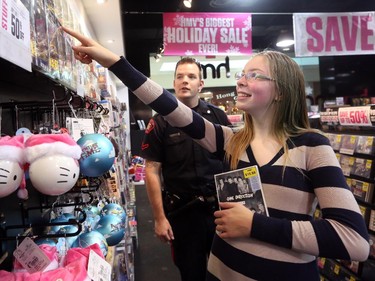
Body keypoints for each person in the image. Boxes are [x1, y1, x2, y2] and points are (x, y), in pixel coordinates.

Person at [62, 26, 370, 281]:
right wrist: (112, 61)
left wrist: (254, 225)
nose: (241, 80)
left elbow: (352, 240)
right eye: (242, 74)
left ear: (282, 91)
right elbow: (169, 106)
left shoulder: (311, 146)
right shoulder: (232, 140)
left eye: (255, 75)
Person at [139, 57, 231, 281]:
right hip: (183, 212)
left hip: (220, 210)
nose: (185, 81)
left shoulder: (218, 117)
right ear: (174, 82)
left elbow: (233, 162)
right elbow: (151, 170)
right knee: (191, 273)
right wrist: (159, 218)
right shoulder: (160, 122)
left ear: (201, 84)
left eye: (191, 76)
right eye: (180, 76)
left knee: (227, 271)